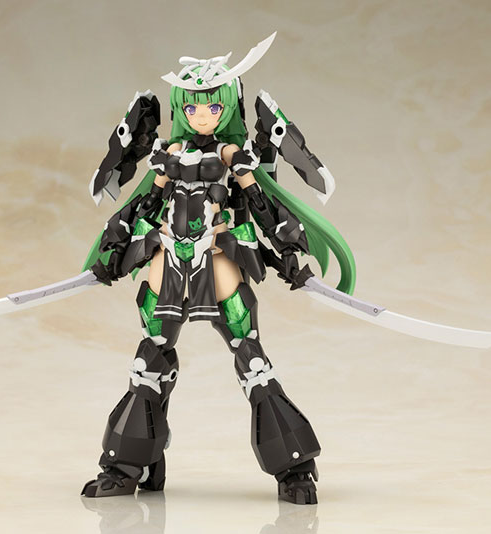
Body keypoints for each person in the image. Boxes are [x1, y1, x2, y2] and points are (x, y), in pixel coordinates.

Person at [81, 33, 355, 505]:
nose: (201, 116)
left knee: (251, 358)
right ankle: (126, 466)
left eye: (211, 107)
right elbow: (144, 203)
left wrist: (288, 250)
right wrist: (115, 246)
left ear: (227, 107)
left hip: (218, 258)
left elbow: (261, 202)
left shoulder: (233, 156)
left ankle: (293, 468)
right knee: (149, 361)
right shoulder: (167, 155)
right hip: (169, 260)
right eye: (191, 107)